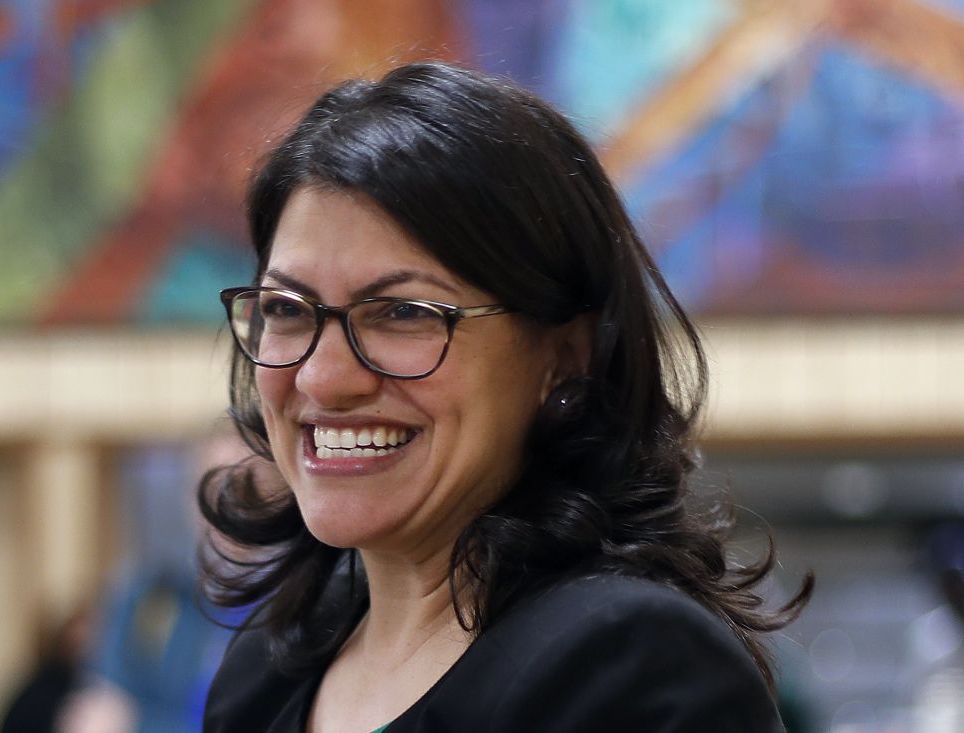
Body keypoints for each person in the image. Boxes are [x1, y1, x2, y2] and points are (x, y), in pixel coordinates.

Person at [198, 61, 812, 732]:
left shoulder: (631, 665)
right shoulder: (265, 668)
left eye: (403, 313)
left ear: (564, 357)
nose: (322, 378)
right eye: (288, 308)